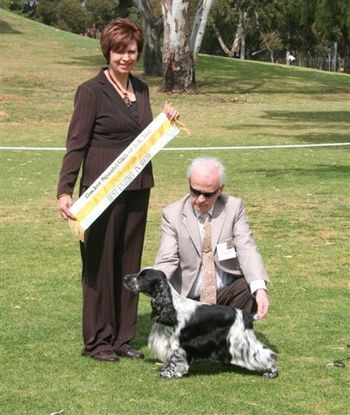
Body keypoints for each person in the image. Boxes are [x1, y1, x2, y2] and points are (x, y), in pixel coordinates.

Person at [57, 18, 179, 363]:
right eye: (119, 51)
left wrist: (166, 120)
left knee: (128, 263)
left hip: (138, 188)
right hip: (101, 189)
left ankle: (123, 337)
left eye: (131, 51)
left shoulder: (141, 89)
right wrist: (65, 191)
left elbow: (143, 139)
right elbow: (76, 145)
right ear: (107, 51)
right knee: (99, 263)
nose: (125, 57)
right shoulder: (90, 91)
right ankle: (97, 340)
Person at [154, 157, 270, 319]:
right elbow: (167, 258)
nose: (200, 199)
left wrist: (260, 289)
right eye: (195, 191)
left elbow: (247, 249)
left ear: (220, 189)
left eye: (208, 194)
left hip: (226, 294)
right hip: (189, 299)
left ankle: (231, 335)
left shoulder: (234, 207)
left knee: (248, 286)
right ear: (189, 182)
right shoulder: (172, 214)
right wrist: (156, 282)